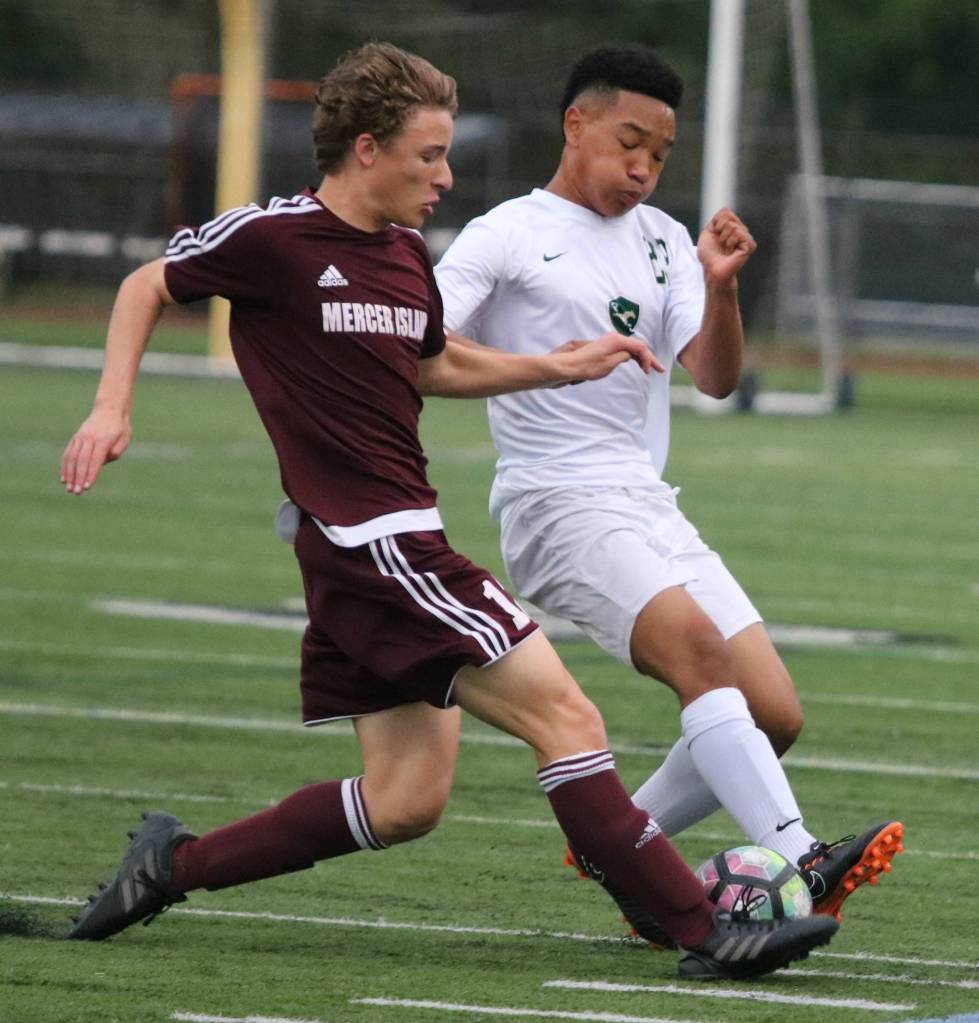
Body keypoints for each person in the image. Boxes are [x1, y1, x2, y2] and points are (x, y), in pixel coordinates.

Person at [59, 42, 837, 980]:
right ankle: (703, 930)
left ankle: (170, 865)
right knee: (568, 718)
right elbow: (147, 283)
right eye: (428, 156)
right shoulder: (275, 238)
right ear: (366, 148)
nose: (445, 176)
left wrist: (553, 364)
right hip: (373, 544)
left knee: (404, 800)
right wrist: (111, 406)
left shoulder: (400, 255)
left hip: (375, 546)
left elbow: (434, 362)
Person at [433, 43, 902, 943]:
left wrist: (720, 289)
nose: (643, 167)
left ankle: (620, 841)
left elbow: (714, 378)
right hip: (555, 503)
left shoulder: (661, 240)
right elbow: (423, 344)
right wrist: (548, 365)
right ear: (575, 124)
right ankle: (800, 855)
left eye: (659, 153)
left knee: (772, 711)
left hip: (647, 503)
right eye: (629, 143)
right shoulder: (505, 233)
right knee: (698, 652)